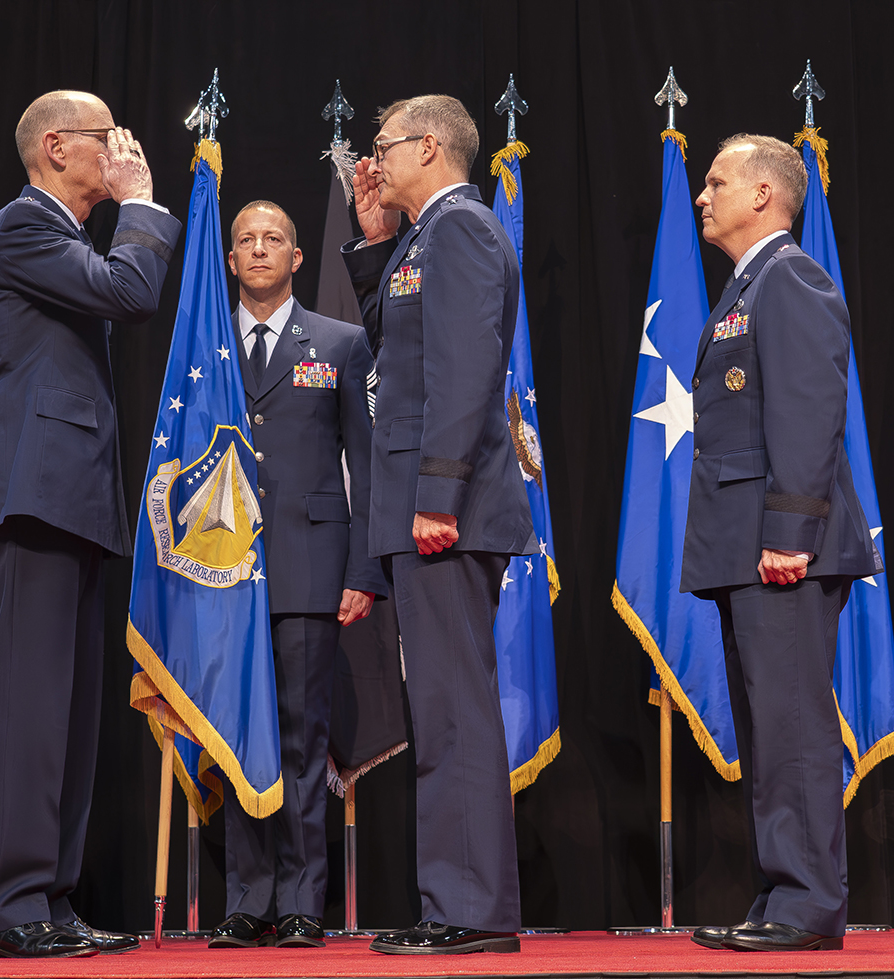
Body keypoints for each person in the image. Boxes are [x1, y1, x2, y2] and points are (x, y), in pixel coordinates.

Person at [0, 90, 181, 959]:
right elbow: (130, 289)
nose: (120, 147)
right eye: (104, 137)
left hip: (74, 497)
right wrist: (146, 203)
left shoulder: (61, 237)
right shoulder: (22, 230)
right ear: (55, 146)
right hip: (28, 494)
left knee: (73, 715)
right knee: (28, 707)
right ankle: (8, 906)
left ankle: (50, 896)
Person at [341, 94, 533, 956]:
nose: (372, 163)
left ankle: (470, 911)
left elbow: (462, 372)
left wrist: (437, 494)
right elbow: (396, 346)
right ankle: (454, 901)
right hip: (428, 504)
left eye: (382, 149)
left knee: (453, 710)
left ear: (428, 145)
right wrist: (376, 236)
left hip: (444, 508)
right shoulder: (425, 235)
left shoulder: (462, 229)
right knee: (443, 708)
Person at [680, 134, 882, 952]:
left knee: (793, 725)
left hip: (781, 545)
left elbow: (807, 407)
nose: (704, 194)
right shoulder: (744, 288)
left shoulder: (788, 277)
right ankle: (780, 893)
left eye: (718, 181)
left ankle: (807, 903)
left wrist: (792, 530)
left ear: (765, 194)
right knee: (769, 727)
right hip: (747, 545)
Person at [206, 202, 387, 950]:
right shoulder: (205, 347)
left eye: (272, 239)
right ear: (230, 258)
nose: (257, 249)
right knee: (235, 739)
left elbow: (367, 462)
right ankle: (248, 899)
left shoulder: (342, 342)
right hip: (220, 569)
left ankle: (303, 899)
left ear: (296, 257)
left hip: (311, 569)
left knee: (299, 741)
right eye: (244, 239)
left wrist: (365, 569)